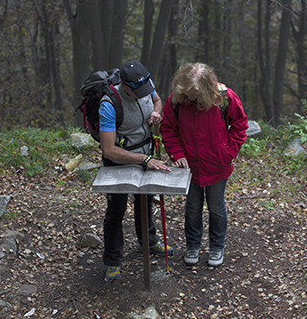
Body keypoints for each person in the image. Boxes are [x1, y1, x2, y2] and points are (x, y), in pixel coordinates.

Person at [160, 62, 248, 267]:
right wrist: (176, 153)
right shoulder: (176, 100)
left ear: (206, 89)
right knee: (192, 208)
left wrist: (229, 152)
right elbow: (168, 129)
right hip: (189, 167)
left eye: (194, 94)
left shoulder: (225, 98)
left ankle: (217, 247)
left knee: (216, 208)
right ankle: (193, 246)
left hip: (218, 165)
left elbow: (240, 125)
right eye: (187, 93)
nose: (190, 98)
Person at [99, 60, 174, 282]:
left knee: (145, 202)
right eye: (137, 91)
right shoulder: (109, 104)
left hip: (147, 154)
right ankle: (113, 261)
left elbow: (157, 100)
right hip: (121, 161)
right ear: (125, 86)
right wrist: (145, 159)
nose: (143, 94)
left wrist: (156, 113)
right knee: (116, 211)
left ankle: (148, 242)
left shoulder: (144, 84)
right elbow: (108, 149)